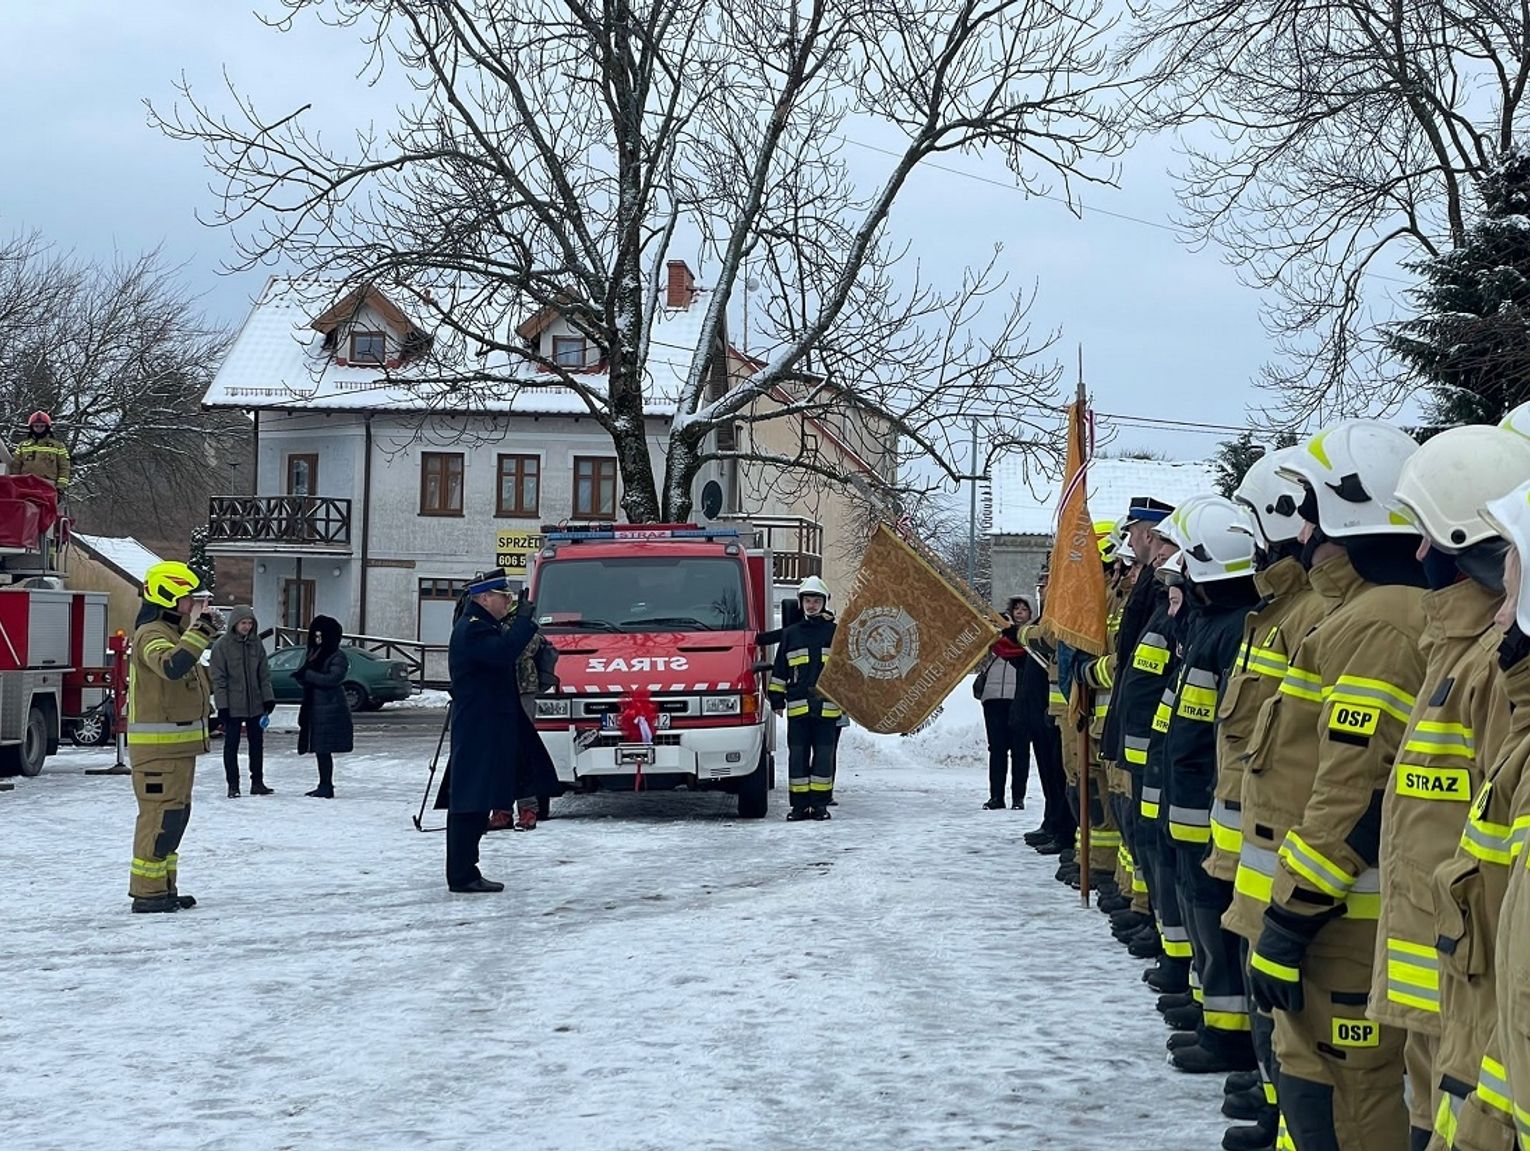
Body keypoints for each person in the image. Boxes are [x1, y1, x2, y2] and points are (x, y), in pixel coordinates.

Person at [1241, 420, 1427, 1151]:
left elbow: (1345, 793)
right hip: (1335, 918)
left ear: (1351, 516)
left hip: (1343, 925)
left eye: (1313, 510)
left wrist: (1289, 920)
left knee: (1349, 1102)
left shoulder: (1378, 625)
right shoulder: (1360, 615)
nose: (1302, 530)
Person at [1369, 425, 1527, 1150]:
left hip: (1477, 1010)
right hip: (1442, 993)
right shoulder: (1453, 653)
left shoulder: (1495, 669)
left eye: (1433, 537)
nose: (1421, 554)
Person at [445, 569, 559, 892]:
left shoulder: (483, 626)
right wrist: (523, 621)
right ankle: (462, 874)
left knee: (477, 798)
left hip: (486, 724)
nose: (507, 601)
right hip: (479, 726)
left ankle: (467, 869)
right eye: (502, 596)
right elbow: (504, 653)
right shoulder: (474, 630)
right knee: (470, 801)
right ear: (484, 598)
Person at [125, 561, 218, 914]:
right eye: (191, 599)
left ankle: (163, 888)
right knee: (159, 818)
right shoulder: (151, 634)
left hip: (177, 749)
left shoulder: (174, 633)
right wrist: (201, 632)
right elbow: (171, 666)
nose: (197, 606)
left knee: (174, 817)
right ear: (169, 597)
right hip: (157, 754)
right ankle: (147, 893)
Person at [768, 575, 841, 821]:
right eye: (807, 600)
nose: (811, 605)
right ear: (801, 603)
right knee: (797, 758)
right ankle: (799, 807)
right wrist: (776, 699)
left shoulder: (836, 634)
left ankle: (820, 806)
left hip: (827, 709)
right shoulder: (791, 634)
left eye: (816, 601)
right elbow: (780, 670)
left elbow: (846, 672)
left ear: (824, 602)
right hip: (798, 709)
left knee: (823, 758)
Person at [209, 605, 277, 798]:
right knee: (231, 745)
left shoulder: (256, 644)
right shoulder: (222, 646)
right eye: (243, 623)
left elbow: (263, 675)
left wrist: (268, 698)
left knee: (257, 744)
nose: (247, 627)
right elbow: (219, 679)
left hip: (255, 704)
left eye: (250, 623)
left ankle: (257, 782)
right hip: (232, 705)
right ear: (235, 624)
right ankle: (233, 785)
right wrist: (222, 705)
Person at [974, 595, 1032, 810]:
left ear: (1030, 614)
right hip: (994, 699)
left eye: (1023, 609)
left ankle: (1018, 797)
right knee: (997, 750)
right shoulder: (996, 638)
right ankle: (996, 796)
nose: (1018, 612)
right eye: (1015, 608)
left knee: (1020, 750)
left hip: (1020, 700)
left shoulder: (1031, 638)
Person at [293, 615, 352, 798]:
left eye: (321, 636)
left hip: (329, 707)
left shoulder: (337, 655)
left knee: (324, 748)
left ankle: (326, 786)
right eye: (315, 636)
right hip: (316, 706)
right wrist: (303, 677)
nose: (317, 640)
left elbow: (333, 678)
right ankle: (323, 784)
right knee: (320, 748)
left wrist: (308, 675)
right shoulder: (315, 653)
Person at [13, 410, 70, 490]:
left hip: (48, 485)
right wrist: (15, 484)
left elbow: (64, 467)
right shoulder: (22, 446)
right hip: (25, 485)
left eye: (42, 426)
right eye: (36, 426)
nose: (39, 429)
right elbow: (15, 467)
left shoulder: (58, 446)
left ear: (47, 427)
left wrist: (60, 487)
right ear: (31, 427)